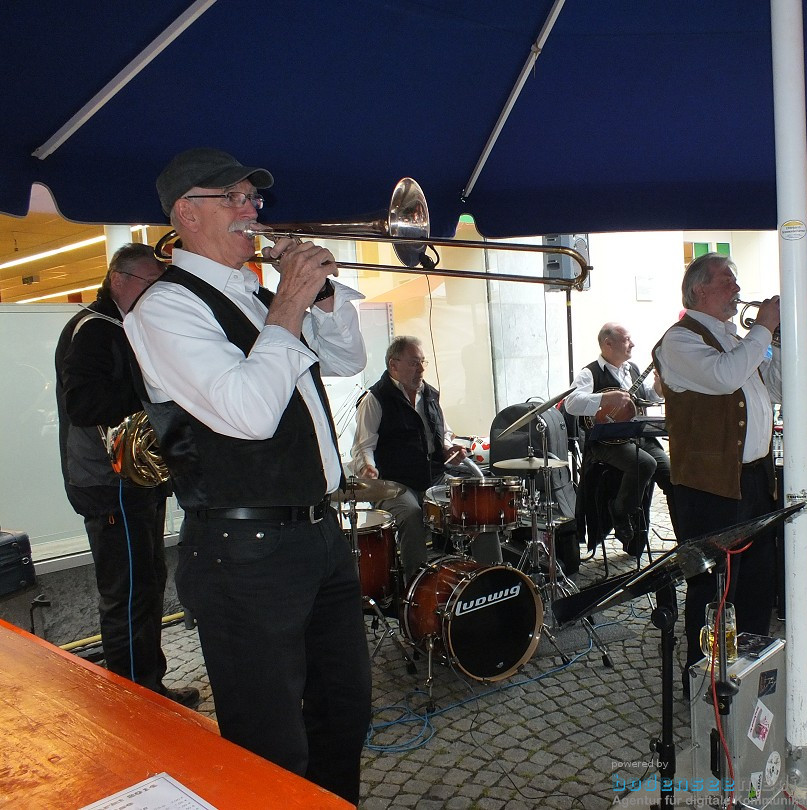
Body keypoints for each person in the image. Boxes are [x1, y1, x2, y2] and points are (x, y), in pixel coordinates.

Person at [124, 148, 370, 803]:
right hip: (243, 552)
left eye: (252, 198)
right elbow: (249, 413)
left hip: (318, 537)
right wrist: (289, 302)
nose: (251, 209)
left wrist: (319, 296)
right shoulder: (163, 309)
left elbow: (345, 358)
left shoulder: (261, 295)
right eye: (230, 197)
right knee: (271, 745)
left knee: (343, 717)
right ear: (186, 214)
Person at [55, 244, 200, 709]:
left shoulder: (120, 327)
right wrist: (151, 392)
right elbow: (82, 405)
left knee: (148, 580)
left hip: (131, 480)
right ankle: (135, 701)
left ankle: (146, 685)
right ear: (119, 279)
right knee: (130, 589)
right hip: (110, 482)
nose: (156, 292)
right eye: (150, 282)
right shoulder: (95, 331)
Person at [652, 253, 782, 677]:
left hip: (755, 477)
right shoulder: (679, 341)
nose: (738, 290)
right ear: (699, 290)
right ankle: (704, 680)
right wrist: (763, 328)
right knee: (714, 588)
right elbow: (726, 378)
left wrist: (780, 341)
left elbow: (777, 389)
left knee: (757, 581)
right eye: (728, 281)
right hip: (711, 487)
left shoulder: (733, 337)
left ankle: (748, 671)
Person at [348, 335, 501, 582]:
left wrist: (449, 448)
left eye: (422, 362)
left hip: (434, 476)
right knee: (411, 515)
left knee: (477, 506)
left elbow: (444, 433)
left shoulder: (429, 395)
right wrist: (368, 468)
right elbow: (363, 446)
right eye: (414, 363)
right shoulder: (375, 399)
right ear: (393, 365)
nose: (420, 369)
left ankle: (494, 580)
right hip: (395, 484)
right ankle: (417, 591)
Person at [563, 322, 671, 555]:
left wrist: (659, 388)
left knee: (671, 473)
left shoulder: (632, 368)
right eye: (627, 339)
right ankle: (620, 511)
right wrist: (606, 399)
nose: (632, 344)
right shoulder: (589, 373)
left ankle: (684, 536)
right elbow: (571, 403)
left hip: (639, 437)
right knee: (645, 463)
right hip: (607, 441)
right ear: (608, 343)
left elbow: (646, 398)